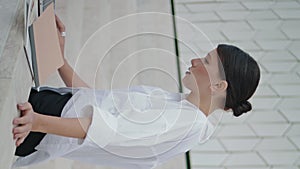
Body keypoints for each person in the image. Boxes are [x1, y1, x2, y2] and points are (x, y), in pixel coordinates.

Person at [12, 16, 260, 168]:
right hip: (46, 117)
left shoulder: (186, 123)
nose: (195, 61)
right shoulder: (180, 108)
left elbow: (103, 129)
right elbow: (96, 102)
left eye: (206, 62)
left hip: (45, 123)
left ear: (219, 86)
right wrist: (60, 60)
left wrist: (37, 122)